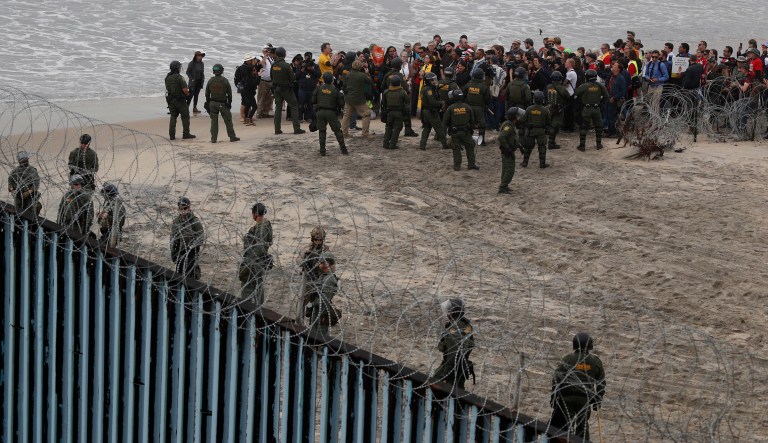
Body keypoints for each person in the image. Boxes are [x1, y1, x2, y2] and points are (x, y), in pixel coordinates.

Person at [550, 332, 606, 441]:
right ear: (590, 345)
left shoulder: (567, 359)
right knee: (582, 428)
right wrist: (598, 400)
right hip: (585, 399)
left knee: (565, 427)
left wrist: (554, 397)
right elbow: (601, 382)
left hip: (567, 398)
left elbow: (556, 379)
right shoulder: (595, 362)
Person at [432, 298, 475, 391]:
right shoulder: (466, 325)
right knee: (458, 393)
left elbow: (453, 351)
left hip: (452, 365)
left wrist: (446, 372)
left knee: (433, 386)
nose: (447, 313)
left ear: (454, 312)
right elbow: (471, 345)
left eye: (449, 311)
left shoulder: (454, 327)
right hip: (461, 365)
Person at [239, 202, 273, 305]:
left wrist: (250, 262)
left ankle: (252, 310)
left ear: (254, 214)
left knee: (248, 289)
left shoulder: (262, 228)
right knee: (256, 287)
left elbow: (259, 248)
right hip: (255, 262)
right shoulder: (261, 227)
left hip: (253, 263)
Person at [297, 226, 330, 325]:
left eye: (320, 240)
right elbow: (298, 259)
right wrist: (304, 261)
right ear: (312, 239)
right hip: (308, 279)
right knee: (301, 301)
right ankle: (300, 321)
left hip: (320, 278)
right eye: (316, 240)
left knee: (318, 303)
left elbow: (331, 264)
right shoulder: (308, 249)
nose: (318, 242)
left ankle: (315, 323)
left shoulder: (326, 250)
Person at [271, 47, 306, 135]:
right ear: (284, 54)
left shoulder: (273, 65)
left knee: (278, 108)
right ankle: (296, 128)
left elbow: (271, 77)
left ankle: (277, 129)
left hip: (277, 89)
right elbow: (293, 78)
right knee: (294, 105)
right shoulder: (286, 66)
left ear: (276, 54)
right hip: (286, 89)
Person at [312, 72, 348, 156]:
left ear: (323, 79)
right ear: (332, 79)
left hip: (320, 112)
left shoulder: (319, 88)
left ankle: (322, 150)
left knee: (322, 131)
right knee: (337, 131)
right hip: (331, 112)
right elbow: (341, 103)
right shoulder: (335, 89)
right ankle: (343, 149)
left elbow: (313, 100)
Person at [305, 252, 339, 337]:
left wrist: (311, 304)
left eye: (321, 262)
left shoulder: (329, 279)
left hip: (322, 311)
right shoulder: (323, 276)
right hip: (317, 309)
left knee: (321, 335)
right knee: (314, 332)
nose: (319, 263)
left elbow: (324, 299)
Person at [443, 90, 478, 171]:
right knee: (470, 147)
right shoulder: (467, 107)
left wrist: (448, 130)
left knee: (456, 149)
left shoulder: (450, 108)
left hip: (455, 132)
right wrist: (471, 129)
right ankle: (471, 164)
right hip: (466, 132)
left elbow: (445, 121)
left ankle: (457, 166)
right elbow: (472, 120)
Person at [204, 64, 240, 143]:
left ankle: (213, 139)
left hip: (212, 103)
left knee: (214, 122)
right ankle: (232, 137)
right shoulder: (225, 80)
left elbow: (207, 93)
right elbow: (229, 94)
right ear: (222, 71)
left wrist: (208, 102)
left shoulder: (210, 80)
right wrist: (229, 103)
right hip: (222, 104)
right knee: (228, 121)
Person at [170, 197, 204, 280]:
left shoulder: (194, 221)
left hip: (191, 252)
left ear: (189, 208)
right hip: (179, 252)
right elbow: (173, 238)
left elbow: (200, 237)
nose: (183, 211)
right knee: (180, 275)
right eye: (180, 209)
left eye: (185, 208)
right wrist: (173, 253)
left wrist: (192, 247)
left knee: (191, 275)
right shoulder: (176, 221)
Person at [574, 70, 608, 151]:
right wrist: (601, 102)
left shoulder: (584, 86)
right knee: (598, 127)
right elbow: (606, 96)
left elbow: (576, 93)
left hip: (586, 109)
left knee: (584, 127)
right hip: (597, 108)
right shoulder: (600, 86)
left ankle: (582, 146)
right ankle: (599, 144)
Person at [341, 60, 373, 138]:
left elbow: (344, 85)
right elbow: (370, 82)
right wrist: (367, 73)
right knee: (367, 113)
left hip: (348, 99)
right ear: (360, 67)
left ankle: (344, 133)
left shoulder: (348, 74)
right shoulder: (362, 76)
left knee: (346, 116)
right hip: (359, 99)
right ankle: (365, 133)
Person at [165, 60, 196, 141]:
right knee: (185, 116)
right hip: (180, 101)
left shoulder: (167, 78)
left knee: (173, 116)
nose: (180, 69)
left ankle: (172, 135)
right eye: (179, 67)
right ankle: (186, 134)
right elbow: (185, 90)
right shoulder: (180, 78)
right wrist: (188, 94)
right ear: (176, 68)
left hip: (171, 101)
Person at [521, 91, 551, 168]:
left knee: (528, 147)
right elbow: (548, 122)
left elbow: (524, 120)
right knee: (542, 146)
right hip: (541, 130)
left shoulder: (529, 109)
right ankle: (542, 163)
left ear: (534, 99)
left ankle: (525, 162)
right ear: (542, 100)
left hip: (531, 130)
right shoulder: (545, 110)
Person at [8, 151, 41, 218]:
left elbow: (36, 183)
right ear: (19, 161)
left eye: (25, 160)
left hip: (30, 196)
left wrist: (28, 192)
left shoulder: (32, 170)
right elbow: (10, 181)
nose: (24, 162)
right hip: (19, 197)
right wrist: (11, 189)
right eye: (22, 161)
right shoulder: (15, 171)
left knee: (33, 210)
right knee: (18, 214)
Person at [419, 72, 448, 150]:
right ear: (428, 81)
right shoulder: (429, 90)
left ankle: (422, 145)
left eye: (434, 80)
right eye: (432, 80)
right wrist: (441, 103)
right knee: (439, 128)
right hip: (431, 111)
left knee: (427, 128)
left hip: (425, 111)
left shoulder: (424, 88)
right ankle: (445, 144)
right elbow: (432, 102)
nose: (434, 81)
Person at [498, 106, 522, 194]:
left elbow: (512, 137)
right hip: (507, 151)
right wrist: (508, 148)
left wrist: (519, 146)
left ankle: (505, 185)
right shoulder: (508, 126)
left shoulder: (511, 124)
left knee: (506, 168)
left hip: (509, 150)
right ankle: (503, 187)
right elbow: (501, 137)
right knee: (509, 169)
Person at [463, 70, 491, 145]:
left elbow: (463, 95)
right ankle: (481, 141)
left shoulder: (468, 85)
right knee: (481, 124)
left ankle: (468, 139)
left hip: (469, 107)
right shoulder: (483, 86)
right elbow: (487, 98)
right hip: (479, 107)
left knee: (468, 123)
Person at [381, 75, 409, 150]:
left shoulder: (386, 92)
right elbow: (407, 102)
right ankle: (393, 144)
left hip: (389, 112)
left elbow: (384, 102)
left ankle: (385, 143)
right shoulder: (402, 92)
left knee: (389, 127)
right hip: (399, 112)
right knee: (397, 128)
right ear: (400, 83)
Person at [97, 182, 126, 248]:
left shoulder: (118, 206)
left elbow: (120, 222)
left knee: (102, 248)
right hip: (106, 232)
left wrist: (107, 217)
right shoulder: (108, 204)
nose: (103, 195)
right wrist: (100, 216)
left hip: (113, 234)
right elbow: (100, 222)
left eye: (105, 193)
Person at [546, 71, 569, 150]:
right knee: (554, 125)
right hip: (558, 109)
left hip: (548, 108)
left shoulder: (548, 86)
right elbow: (568, 96)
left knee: (550, 124)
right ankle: (551, 143)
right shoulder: (562, 88)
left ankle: (551, 142)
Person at [235, 53, 258, 123]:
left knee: (248, 102)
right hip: (243, 87)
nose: (251, 61)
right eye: (250, 60)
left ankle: (246, 116)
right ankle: (242, 116)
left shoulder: (248, 66)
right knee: (244, 102)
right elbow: (248, 76)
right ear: (247, 61)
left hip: (246, 87)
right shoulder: (244, 68)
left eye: (251, 59)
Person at [257, 44, 275, 119]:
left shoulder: (270, 59)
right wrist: (265, 55)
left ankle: (265, 112)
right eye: (267, 49)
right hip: (263, 81)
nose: (268, 51)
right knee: (261, 97)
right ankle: (259, 113)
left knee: (269, 98)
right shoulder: (260, 57)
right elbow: (261, 64)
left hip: (270, 81)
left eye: (269, 50)